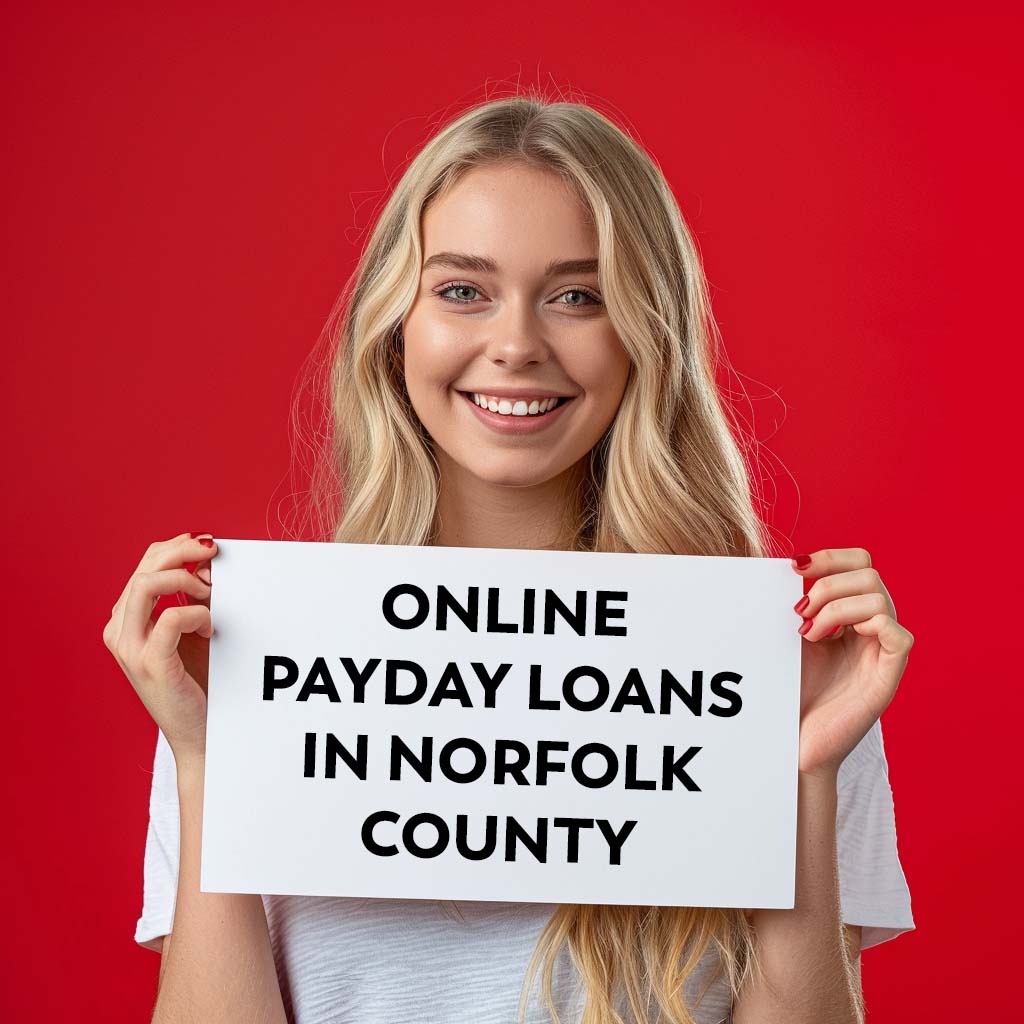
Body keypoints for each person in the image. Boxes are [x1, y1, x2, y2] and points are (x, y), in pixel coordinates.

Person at [105, 95, 915, 1024]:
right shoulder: (253, 663)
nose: (519, 344)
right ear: (394, 324)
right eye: (462, 290)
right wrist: (211, 758)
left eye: (579, 295)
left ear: (646, 333)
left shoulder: (785, 667)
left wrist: (802, 773)